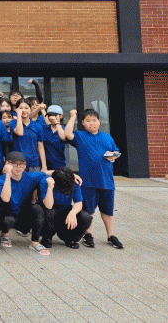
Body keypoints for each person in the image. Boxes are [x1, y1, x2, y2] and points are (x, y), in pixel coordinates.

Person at [64, 109, 124, 250]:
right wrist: (72, 116)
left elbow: (115, 152)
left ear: (99, 122)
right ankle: (88, 234)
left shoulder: (107, 137)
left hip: (107, 181)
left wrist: (113, 156)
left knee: (107, 211)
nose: (92, 123)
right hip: (88, 181)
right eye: (88, 121)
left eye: (94, 120)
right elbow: (67, 134)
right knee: (88, 211)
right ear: (83, 123)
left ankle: (111, 235)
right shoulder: (80, 136)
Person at [0, 151, 50, 255]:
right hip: (6, 213)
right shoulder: (1, 179)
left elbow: (48, 172)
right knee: (8, 219)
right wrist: (8, 175)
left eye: (21, 164)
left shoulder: (30, 176)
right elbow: (6, 198)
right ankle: (5, 234)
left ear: (25, 166)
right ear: (7, 164)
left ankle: (34, 242)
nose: (18, 167)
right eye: (15, 164)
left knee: (37, 209)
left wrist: (71, 175)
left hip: (22, 214)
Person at [39, 168, 92, 249]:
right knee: (49, 213)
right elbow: (48, 206)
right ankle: (47, 237)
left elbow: (78, 202)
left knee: (85, 217)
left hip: (65, 209)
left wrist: (73, 213)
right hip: (51, 209)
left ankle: (70, 238)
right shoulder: (45, 182)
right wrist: (50, 187)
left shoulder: (73, 182)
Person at [11, 99, 46, 171]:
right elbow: (20, 132)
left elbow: (41, 147)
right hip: (18, 163)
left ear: (30, 109)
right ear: (16, 109)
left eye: (26, 108)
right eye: (21, 108)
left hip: (34, 163)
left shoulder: (37, 125)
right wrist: (19, 115)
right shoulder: (13, 123)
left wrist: (44, 166)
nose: (24, 110)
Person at [40, 105, 67, 170]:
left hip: (60, 164)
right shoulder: (44, 128)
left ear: (61, 116)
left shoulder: (63, 129)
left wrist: (56, 123)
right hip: (45, 165)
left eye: (54, 115)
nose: (51, 117)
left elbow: (63, 137)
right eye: (49, 115)